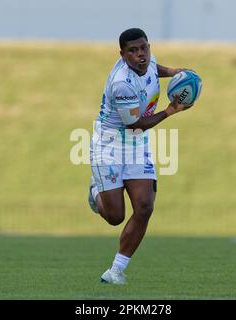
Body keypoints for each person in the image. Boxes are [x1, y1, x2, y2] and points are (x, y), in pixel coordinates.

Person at [88, 28, 195, 284]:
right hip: (110, 144)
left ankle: (116, 271)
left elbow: (154, 67)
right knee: (115, 217)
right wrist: (171, 111)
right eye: (133, 51)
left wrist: (175, 73)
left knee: (145, 207)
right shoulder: (121, 83)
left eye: (144, 48)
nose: (141, 55)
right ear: (122, 54)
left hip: (136, 144)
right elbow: (135, 124)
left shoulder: (147, 59)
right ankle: (95, 193)